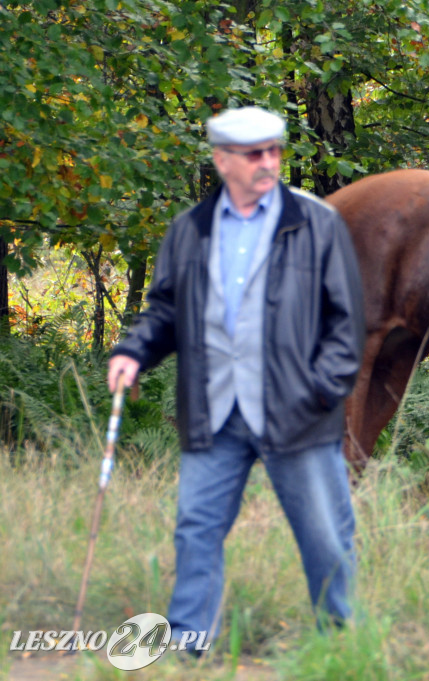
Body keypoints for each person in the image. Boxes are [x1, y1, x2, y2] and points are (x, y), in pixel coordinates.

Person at [107, 106, 365, 651]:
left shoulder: (316, 224)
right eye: (254, 154)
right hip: (215, 409)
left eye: (274, 150)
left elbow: (349, 327)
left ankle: (340, 645)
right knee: (196, 528)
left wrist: (319, 390)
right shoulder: (190, 230)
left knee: (325, 536)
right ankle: (188, 642)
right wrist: (133, 351)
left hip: (298, 413)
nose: (268, 162)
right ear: (222, 160)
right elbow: (165, 311)